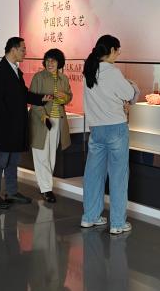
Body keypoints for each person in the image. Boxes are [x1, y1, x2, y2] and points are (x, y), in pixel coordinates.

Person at [80, 35, 139, 235]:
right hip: (116, 129)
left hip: (96, 130)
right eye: (118, 50)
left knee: (93, 175)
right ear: (111, 50)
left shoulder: (89, 71)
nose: (119, 54)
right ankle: (117, 223)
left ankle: (90, 217)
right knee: (118, 177)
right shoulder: (113, 72)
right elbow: (129, 94)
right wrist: (132, 85)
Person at [0, 37, 52, 209]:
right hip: (5, 127)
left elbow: (23, 94)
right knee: (1, 161)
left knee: (13, 160)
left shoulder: (15, 71)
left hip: (17, 126)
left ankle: (11, 192)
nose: (25, 52)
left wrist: (41, 99)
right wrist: (7, 124)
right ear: (13, 49)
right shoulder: (0, 71)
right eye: (23, 49)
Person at [28, 48, 72, 203]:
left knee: (51, 155)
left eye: (53, 60)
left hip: (57, 120)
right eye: (47, 60)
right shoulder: (38, 77)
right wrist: (43, 116)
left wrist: (64, 97)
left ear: (60, 62)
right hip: (41, 120)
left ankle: (46, 185)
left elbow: (69, 96)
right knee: (41, 154)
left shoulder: (64, 78)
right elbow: (33, 99)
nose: (50, 63)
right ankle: (46, 189)